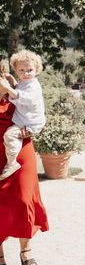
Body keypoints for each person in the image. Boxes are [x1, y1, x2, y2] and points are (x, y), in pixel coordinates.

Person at [0, 60, 48, 265]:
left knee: (23, 199)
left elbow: (37, 111)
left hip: (22, 149)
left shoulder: (20, 88)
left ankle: (25, 250)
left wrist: (33, 130)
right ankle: (0, 256)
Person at [0, 50, 46, 180]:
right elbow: (20, 90)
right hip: (23, 122)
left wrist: (8, 88)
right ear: (15, 69)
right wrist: (13, 82)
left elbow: (24, 97)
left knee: (10, 135)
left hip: (27, 124)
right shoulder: (23, 83)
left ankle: (12, 163)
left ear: (36, 69)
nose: (25, 74)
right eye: (21, 71)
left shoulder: (34, 85)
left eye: (29, 70)